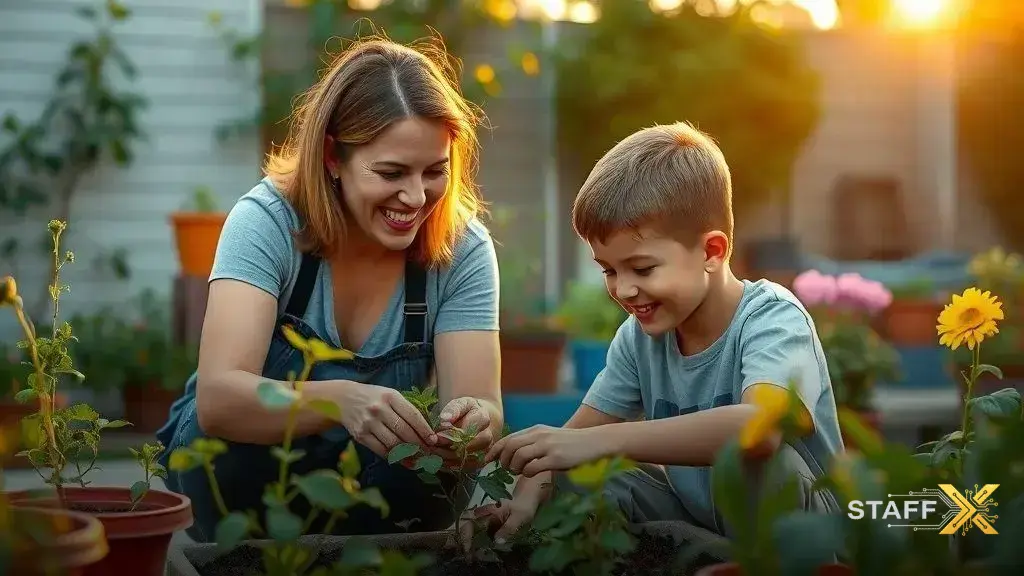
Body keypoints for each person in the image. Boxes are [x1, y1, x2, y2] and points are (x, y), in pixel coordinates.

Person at [156, 38, 504, 542]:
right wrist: (339, 401)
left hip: (372, 477)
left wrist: (474, 422)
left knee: (435, 474)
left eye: (435, 171)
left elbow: (484, 406)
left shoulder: (462, 250)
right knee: (229, 452)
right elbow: (219, 398)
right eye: (390, 172)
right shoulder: (266, 223)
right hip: (249, 474)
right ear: (332, 157)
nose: (415, 197)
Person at [471, 122, 843, 543]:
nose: (624, 289)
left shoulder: (772, 318)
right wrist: (530, 488)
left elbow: (759, 428)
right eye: (609, 270)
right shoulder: (639, 337)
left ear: (711, 251)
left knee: (762, 462)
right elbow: (573, 438)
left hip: (806, 541)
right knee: (572, 470)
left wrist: (604, 441)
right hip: (703, 527)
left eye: (643, 268)